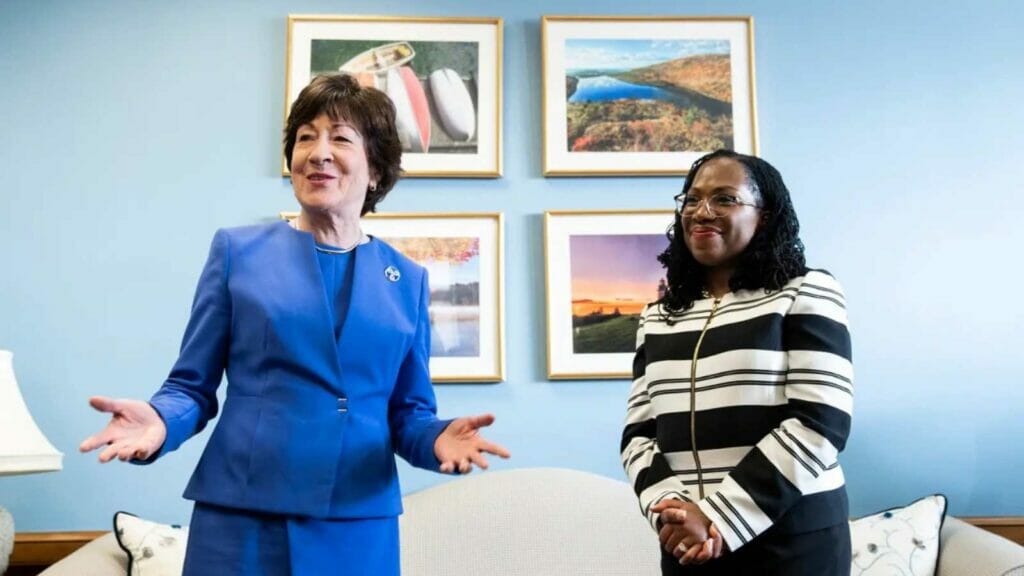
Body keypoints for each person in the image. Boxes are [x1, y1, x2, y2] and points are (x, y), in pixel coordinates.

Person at [79, 73, 510, 575]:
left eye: (341, 138)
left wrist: (436, 439)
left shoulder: (407, 281)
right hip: (241, 517)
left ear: (376, 171)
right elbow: (191, 386)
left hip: (357, 523)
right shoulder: (237, 252)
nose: (318, 152)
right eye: (306, 137)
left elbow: (407, 413)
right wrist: (160, 421)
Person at [621, 150, 853, 575]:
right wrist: (673, 514)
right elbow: (639, 435)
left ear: (764, 216)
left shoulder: (806, 290)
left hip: (791, 542)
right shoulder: (657, 316)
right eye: (692, 200)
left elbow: (821, 423)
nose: (701, 212)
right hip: (689, 545)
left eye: (724, 199)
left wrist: (718, 520)